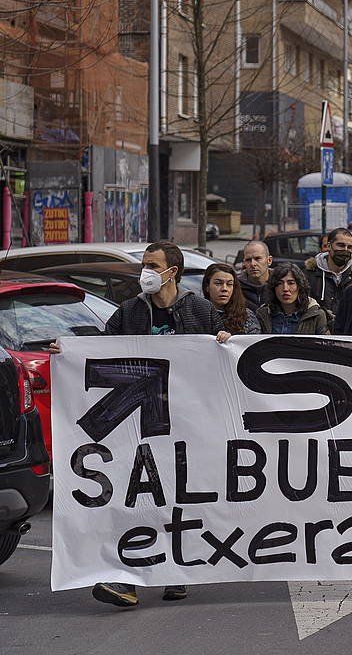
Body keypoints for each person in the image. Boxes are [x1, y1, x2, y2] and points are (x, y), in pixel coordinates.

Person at [88, 241, 223, 609]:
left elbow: (223, 360)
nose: (144, 271)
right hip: (140, 420)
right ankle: (129, 578)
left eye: (151, 264)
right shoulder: (130, 312)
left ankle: (173, 572)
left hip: (186, 422)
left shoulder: (200, 310)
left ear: (171, 271)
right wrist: (68, 353)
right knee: (138, 498)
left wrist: (225, 342)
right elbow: (101, 352)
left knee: (177, 497)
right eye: (144, 264)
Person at [256, 263, 331, 334]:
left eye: (291, 283)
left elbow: (324, 345)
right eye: (279, 283)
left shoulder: (316, 315)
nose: (285, 288)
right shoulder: (263, 314)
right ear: (273, 287)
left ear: (300, 286)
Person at [304, 227, 352, 320]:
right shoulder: (310, 274)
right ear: (329, 246)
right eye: (340, 245)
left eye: (349, 247)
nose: (345, 250)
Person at [203, 263, 262, 336]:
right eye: (218, 283)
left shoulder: (246, 316)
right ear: (207, 287)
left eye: (229, 284)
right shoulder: (195, 313)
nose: (224, 289)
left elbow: (253, 343)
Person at [238, 240, 272, 309]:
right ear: (244, 263)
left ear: (269, 260)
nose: (253, 264)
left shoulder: (281, 284)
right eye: (248, 260)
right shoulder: (235, 286)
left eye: (258, 258)